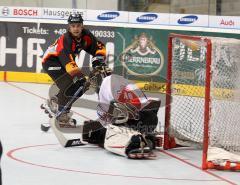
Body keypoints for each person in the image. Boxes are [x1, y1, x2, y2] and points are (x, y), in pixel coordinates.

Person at [42, 13, 107, 125]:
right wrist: (80, 77)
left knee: (81, 87)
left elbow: (99, 47)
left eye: (78, 25)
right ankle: (61, 112)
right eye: (73, 26)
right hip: (51, 62)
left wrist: (97, 60)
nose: (76, 28)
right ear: (69, 27)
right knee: (71, 84)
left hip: (64, 63)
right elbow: (68, 62)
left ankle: (56, 105)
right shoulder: (66, 40)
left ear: (82, 26)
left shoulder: (86, 35)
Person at [82, 74, 161, 159]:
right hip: (149, 119)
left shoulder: (106, 88)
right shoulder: (116, 81)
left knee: (111, 130)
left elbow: (114, 117)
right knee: (111, 123)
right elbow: (155, 103)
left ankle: (135, 142)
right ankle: (144, 137)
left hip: (139, 120)